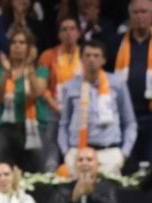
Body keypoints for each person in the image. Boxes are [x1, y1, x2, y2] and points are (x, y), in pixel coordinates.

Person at [57, 40, 137, 176]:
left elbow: (129, 122)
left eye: (96, 55)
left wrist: (123, 153)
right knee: (77, 190)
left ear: (104, 60)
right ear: (81, 58)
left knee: (107, 190)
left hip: (108, 153)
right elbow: (64, 123)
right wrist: (66, 152)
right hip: (78, 154)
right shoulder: (70, 86)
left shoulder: (117, 84)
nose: (91, 59)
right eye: (87, 55)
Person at [0, 29, 52, 172]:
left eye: (22, 42)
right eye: (13, 43)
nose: (17, 46)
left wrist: (29, 67)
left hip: (34, 128)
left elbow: (36, 93)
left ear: (30, 48)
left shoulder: (40, 71)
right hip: (7, 131)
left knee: (37, 177)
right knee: (6, 173)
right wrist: (6, 75)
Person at [37, 17, 82, 172]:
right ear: (58, 34)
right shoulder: (47, 56)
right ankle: (50, 177)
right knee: (51, 149)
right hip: (54, 109)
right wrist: (53, 104)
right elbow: (42, 86)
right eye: (64, 29)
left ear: (79, 33)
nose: (69, 33)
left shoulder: (86, 54)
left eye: (72, 29)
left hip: (79, 111)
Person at [114, 0, 152, 170]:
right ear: (129, 16)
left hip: (150, 113)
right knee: (128, 165)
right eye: (135, 12)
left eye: (144, 11)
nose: (140, 16)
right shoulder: (116, 43)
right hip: (125, 114)